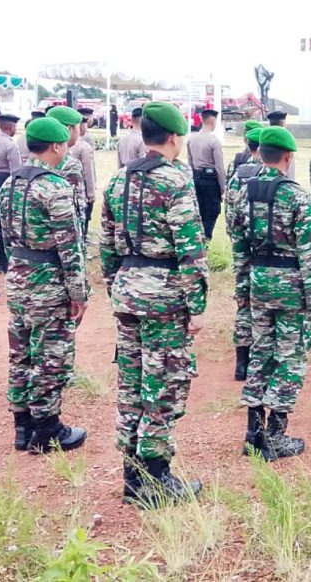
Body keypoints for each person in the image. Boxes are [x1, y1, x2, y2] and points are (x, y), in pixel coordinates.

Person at [101, 102, 207, 504]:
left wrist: (118, 285)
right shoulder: (174, 181)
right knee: (163, 383)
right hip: (163, 294)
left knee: (131, 382)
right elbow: (191, 248)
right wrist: (196, 304)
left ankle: (133, 476)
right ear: (175, 138)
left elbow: (107, 245)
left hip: (128, 290)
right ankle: (157, 479)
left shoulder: (118, 180)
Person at [230, 126, 311, 461]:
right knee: (291, 357)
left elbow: (238, 247)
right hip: (291, 285)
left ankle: (252, 433)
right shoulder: (296, 196)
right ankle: (275, 437)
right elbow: (309, 252)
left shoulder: (243, 193)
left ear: (260, 154)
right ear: (287, 156)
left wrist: (242, 287)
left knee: (261, 352)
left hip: (258, 280)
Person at [0, 116, 88, 454]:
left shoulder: (10, 184)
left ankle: (22, 426)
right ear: (55, 146)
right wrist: (79, 292)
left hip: (19, 275)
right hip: (49, 280)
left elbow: (5, 237)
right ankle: (48, 429)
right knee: (51, 354)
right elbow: (70, 245)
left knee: (20, 351)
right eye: (64, 143)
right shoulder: (55, 186)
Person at [225, 128, 264, 381]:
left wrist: (235, 239)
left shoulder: (236, 173)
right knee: (263, 306)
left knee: (244, 302)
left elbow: (229, 210)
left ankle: (242, 362)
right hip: (264, 250)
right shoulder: (268, 175)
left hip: (241, 247)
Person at [0, 113, 22, 273]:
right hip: (6, 180)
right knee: (6, 222)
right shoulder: (11, 145)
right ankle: (5, 260)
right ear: (11, 127)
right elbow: (16, 171)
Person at [46, 106, 88, 237]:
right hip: (64, 235)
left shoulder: (40, 155)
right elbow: (77, 207)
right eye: (77, 127)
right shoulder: (70, 164)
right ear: (69, 129)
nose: (79, 131)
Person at [186, 108, 225, 241]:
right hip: (210, 180)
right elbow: (219, 167)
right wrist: (223, 187)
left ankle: (199, 238)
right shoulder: (213, 141)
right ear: (213, 122)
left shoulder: (192, 139)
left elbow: (190, 161)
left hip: (196, 177)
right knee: (212, 211)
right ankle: (206, 239)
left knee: (199, 210)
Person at [74, 108, 98, 237]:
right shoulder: (83, 144)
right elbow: (88, 169)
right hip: (80, 190)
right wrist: (91, 193)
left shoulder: (59, 144)